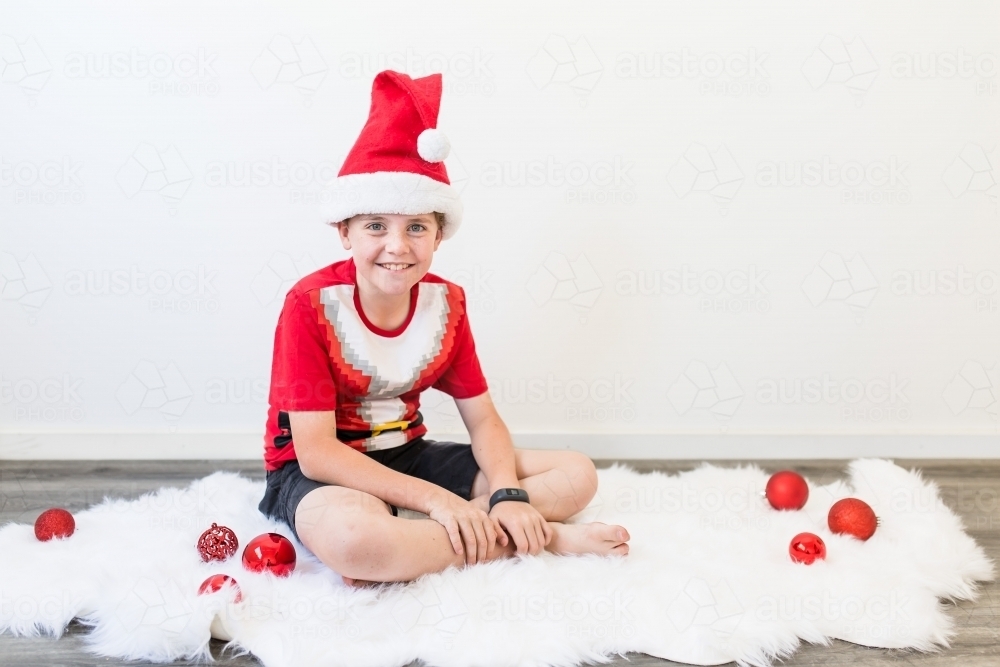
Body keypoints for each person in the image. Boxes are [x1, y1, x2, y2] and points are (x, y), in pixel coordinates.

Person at [257, 70, 630, 588]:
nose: (397, 246)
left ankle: (453, 534)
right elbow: (317, 451)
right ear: (344, 231)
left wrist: (508, 495)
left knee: (576, 474)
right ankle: (538, 538)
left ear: (439, 234)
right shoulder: (309, 304)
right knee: (355, 541)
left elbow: (483, 421)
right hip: (323, 470)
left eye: (416, 227)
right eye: (375, 226)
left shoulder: (446, 302)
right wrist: (436, 500)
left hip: (407, 453)